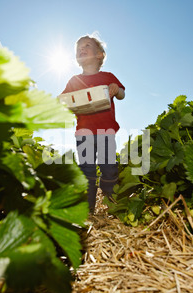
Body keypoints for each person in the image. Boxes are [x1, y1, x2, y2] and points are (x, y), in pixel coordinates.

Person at [61, 34, 125, 214]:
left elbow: (121, 94)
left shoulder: (108, 76)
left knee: (109, 167)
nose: (81, 49)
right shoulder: (73, 81)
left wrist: (115, 89)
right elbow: (64, 101)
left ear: (99, 55)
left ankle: (111, 201)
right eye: (78, 48)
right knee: (86, 169)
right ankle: (87, 209)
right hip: (84, 132)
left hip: (106, 131)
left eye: (87, 45)